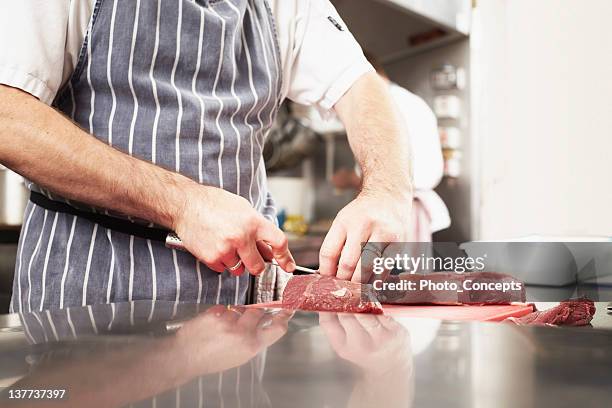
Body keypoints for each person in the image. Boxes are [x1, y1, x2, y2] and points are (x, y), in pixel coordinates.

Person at [0, 0, 412, 313]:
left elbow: (361, 86)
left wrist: (385, 191)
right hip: (91, 289)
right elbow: (8, 115)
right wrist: (183, 204)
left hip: (241, 311)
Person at [333, 52, 450, 241]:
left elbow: (392, 173)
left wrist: (350, 179)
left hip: (401, 209)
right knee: (409, 270)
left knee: (400, 270)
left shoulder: (387, 105)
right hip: (405, 207)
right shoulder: (408, 100)